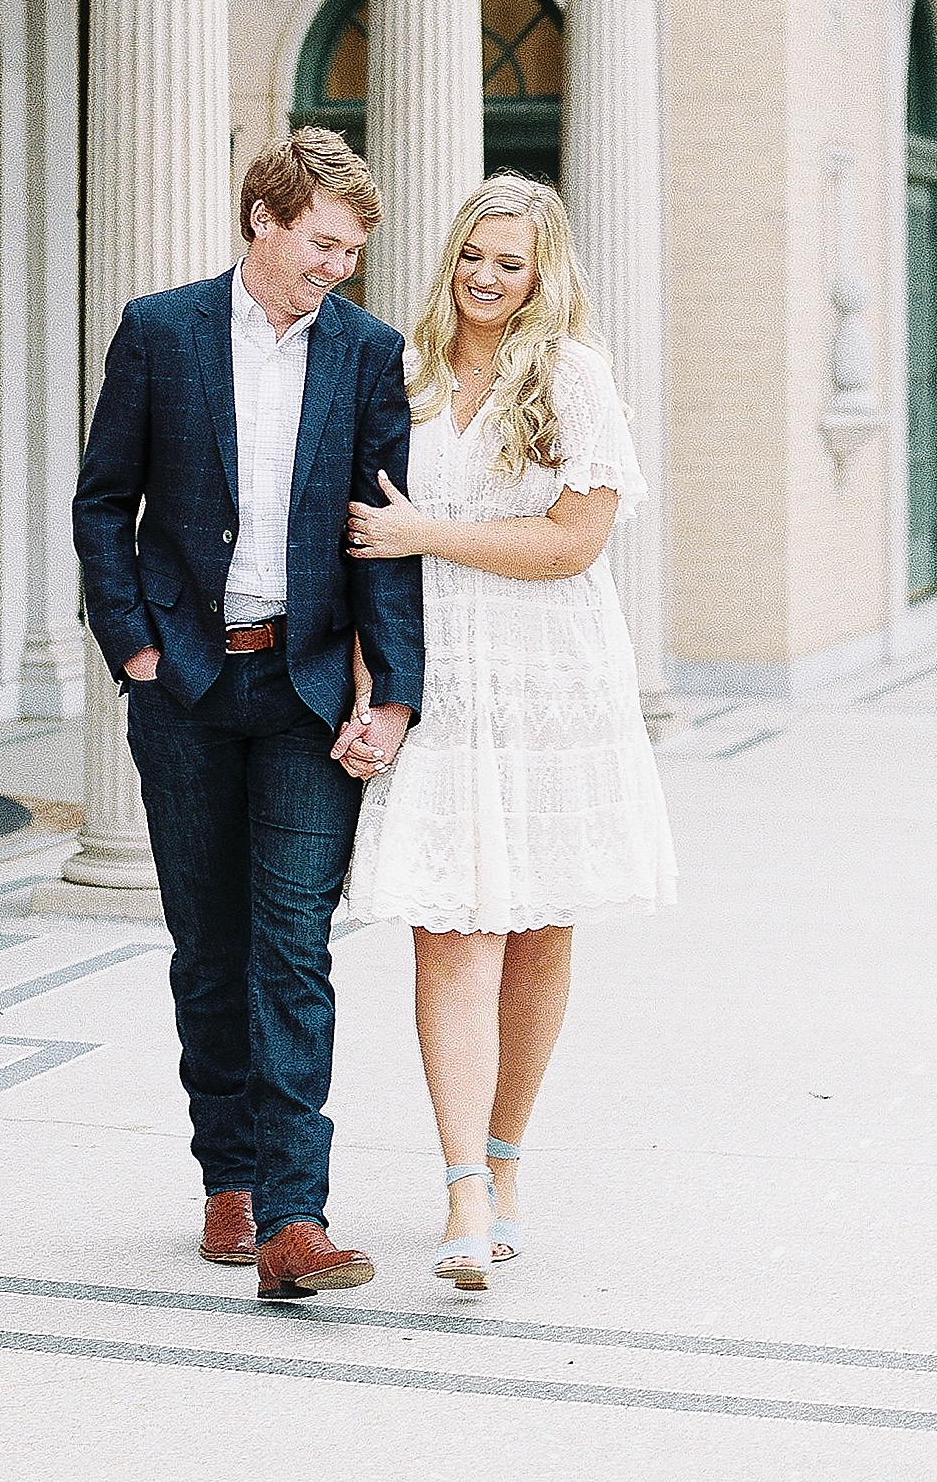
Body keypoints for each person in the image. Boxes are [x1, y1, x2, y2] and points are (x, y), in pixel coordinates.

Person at [73, 127, 424, 1301]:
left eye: (352, 250)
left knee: (292, 943)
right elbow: (101, 501)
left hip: (306, 688)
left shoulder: (371, 354)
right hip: (182, 682)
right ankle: (225, 1168)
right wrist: (132, 646)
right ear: (263, 219)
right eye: (323, 241)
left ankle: (294, 1215)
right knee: (210, 942)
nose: (337, 266)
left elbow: (385, 538)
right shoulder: (161, 329)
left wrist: (398, 695)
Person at [340, 173, 676, 1289]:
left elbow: (575, 541)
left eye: (510, 263)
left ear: (543, 273)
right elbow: (360, 547)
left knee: (535, 925)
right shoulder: (406, 369)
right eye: (473, 256)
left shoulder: (574, 376)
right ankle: (462, 1196)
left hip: (551, 680)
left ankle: (506, 1156)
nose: (486, 277)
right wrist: (368, 689)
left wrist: (424, 529)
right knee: (452, 923)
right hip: (441, 675)